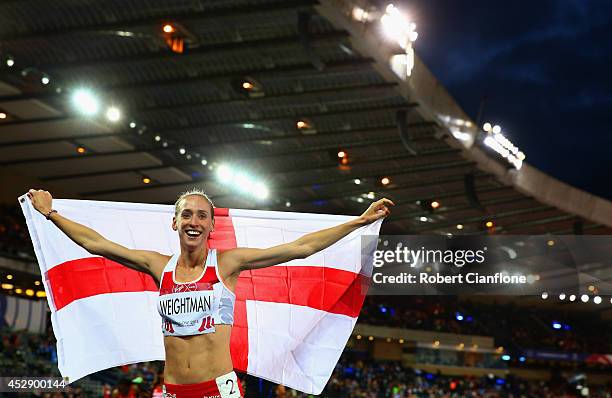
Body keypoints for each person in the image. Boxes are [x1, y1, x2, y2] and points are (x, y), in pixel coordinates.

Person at [27, 188, 393, 398]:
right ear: (175, 222)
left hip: (218, 391)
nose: (194, 221)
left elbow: (300, 248)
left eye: (202, 216)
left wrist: (358, 222)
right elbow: (96, 243)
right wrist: (50, 214)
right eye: (187, 215)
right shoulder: (159, 266)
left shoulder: (228, 264)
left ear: (211, 226)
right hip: (171, 391)